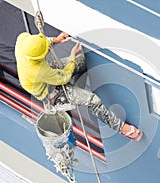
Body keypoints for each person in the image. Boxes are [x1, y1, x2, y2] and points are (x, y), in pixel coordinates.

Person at [15, 32, 143, 141]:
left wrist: (55, 40)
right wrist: (72, 55)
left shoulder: (22, 41)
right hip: (51, 92)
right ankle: (121, 127)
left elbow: (40, 43)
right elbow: (64, 77)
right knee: (93, 100)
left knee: (83, 61)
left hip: (45, 76)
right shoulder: (38, 70)